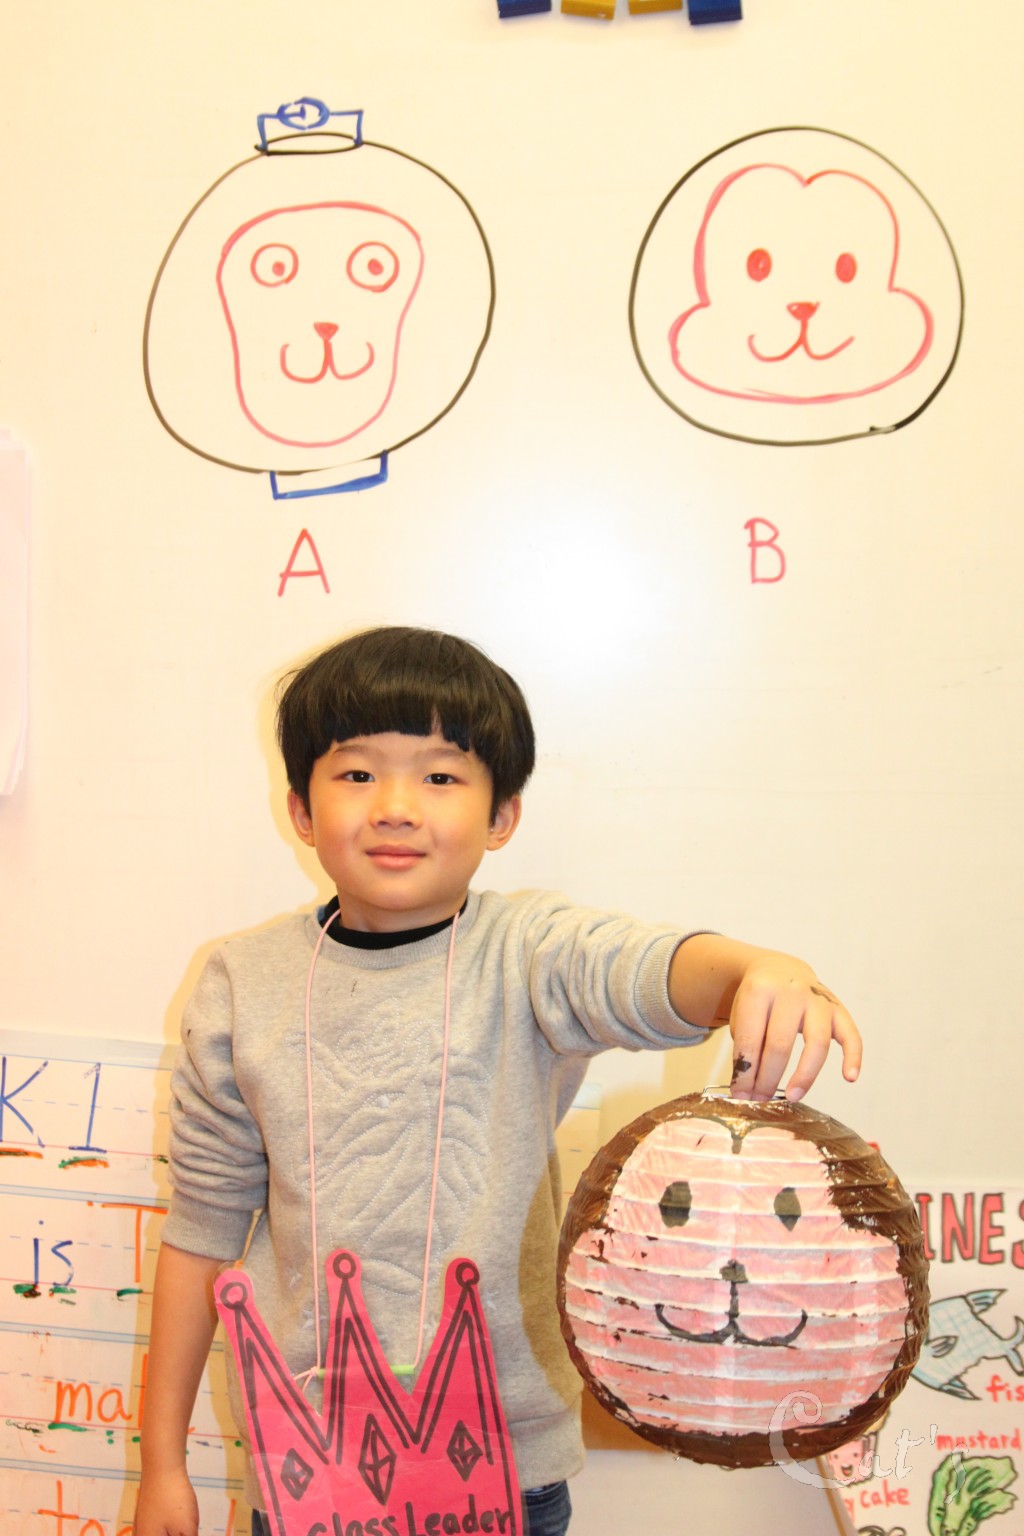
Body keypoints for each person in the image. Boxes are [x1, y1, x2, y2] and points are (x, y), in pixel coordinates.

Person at [135, 626, 861, 1536]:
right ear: (301, 810)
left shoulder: (528, 953)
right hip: (307, 1472)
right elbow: (202, 1232)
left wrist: (757, 969)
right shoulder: (241, 982)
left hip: (506, 1475)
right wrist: (162, 1463)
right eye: (357, 773)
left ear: (502, 815)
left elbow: (644, 971)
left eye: (441, 777)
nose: (396, 807)